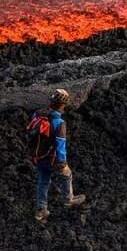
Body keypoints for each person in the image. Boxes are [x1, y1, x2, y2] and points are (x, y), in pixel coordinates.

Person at [29, 88, 86, 222]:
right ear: (63, 104)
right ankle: (69, 200)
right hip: (53, 158)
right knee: (67, 175)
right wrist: (63, 162)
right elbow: (61, 145)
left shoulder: (37, 114)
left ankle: (41, 210)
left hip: (38, 156)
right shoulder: (59, 123)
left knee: (43, 181)